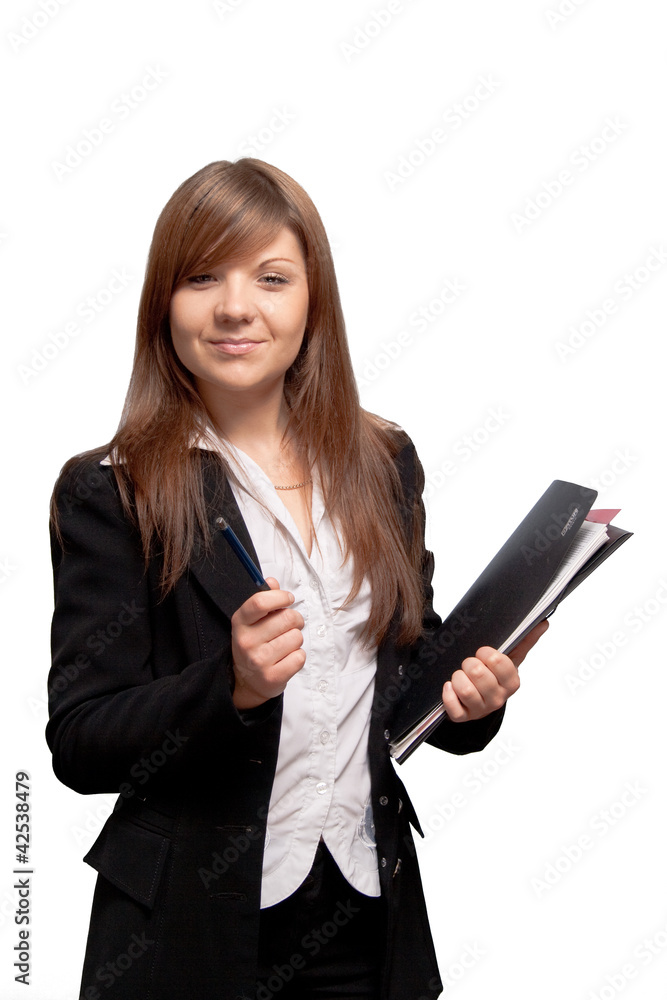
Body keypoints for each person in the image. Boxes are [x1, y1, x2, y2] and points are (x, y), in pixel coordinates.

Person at [47, 158, 547, 1000]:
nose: (236, 305)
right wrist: (229, 686)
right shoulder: (113, 488)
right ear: (163, 303)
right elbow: (81, 741)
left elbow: (397, 690)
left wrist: (470, 703)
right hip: (184, 935)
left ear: (312, 301)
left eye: (272, 277)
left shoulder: (383, 463)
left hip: (366, 918)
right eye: (202, 276)